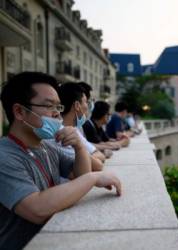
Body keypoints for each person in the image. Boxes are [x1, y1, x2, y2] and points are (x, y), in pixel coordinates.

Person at [0, 72, 121, 250]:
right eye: (50, 106)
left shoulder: (46, 147)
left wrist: (79, 146)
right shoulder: (5, 156)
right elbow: (36, 209)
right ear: (19, 111)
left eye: (58, 107)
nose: (57, 115)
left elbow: (79, 174)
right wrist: (93, 178)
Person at [56, 82, 105, 169]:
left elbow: (98, 154)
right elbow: (98, 165)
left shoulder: (74, 130)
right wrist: (87, 157)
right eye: (86, 102)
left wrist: (86, 157)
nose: (88, 107)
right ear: (77, 106)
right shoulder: (62, 133)